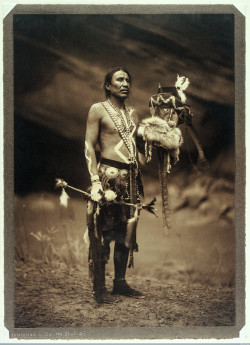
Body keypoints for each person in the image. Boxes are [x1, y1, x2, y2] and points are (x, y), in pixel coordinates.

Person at [84, 67, 144, 300]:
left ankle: (120, 283)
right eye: (120, 79)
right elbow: (89, 145)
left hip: (130, 179)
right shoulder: (98, 109)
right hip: (108, 177)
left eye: (128, 79)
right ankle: (99, 288)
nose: (125, 83)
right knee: (104, 232)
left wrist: (157, 145)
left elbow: (137, 151)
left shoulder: (134, 115)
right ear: (108, 86)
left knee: (126, 231)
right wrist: (95, 181)